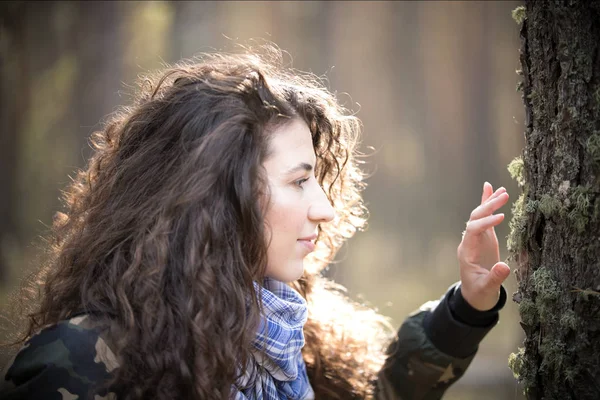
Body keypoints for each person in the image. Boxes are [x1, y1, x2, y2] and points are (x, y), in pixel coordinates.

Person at [0, 45, 510, 400]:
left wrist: (466, 307)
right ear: (218, 196)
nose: (325, 208)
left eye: (317, 181)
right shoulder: (83, 360)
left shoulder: (293, 333)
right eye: (297, 181)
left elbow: (378, 393)